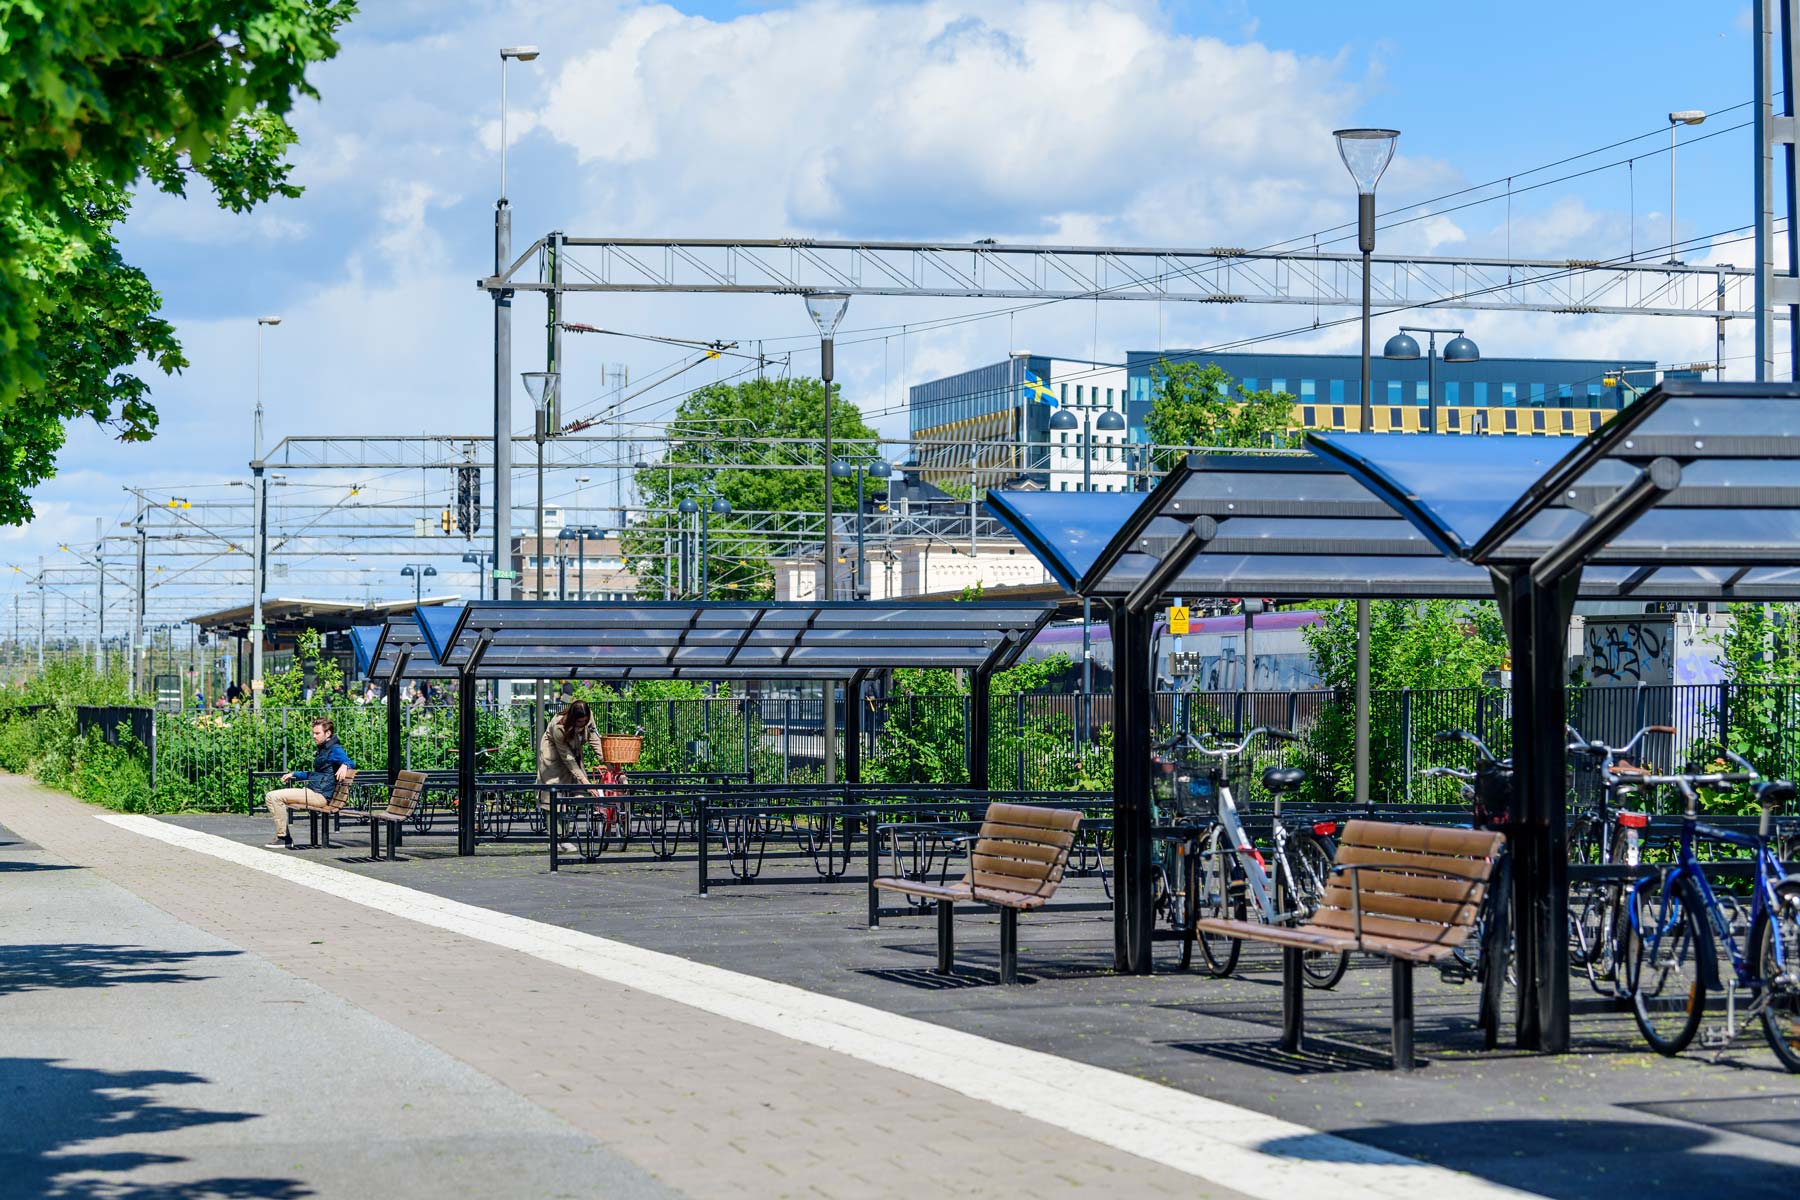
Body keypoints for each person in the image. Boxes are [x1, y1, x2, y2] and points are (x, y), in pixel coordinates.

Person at [263, 716, 356, 849]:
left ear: (328, 733)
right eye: (313, 733)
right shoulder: (323, 749)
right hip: (314, 791)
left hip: (320, 796)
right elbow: (316, 774)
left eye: (317, 733)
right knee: (271, 797)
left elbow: (351, 762)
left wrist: (345, 765)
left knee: (274, 797)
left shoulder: (334, 749)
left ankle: (284, 838)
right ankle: (284, 837)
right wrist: (294, 774)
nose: (314, 736)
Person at [537, 700, 607, 854]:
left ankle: (565, 837)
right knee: (553, 796)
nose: (583, 724)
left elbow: (594, 738)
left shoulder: (589, 718)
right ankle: (554, 839)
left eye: (585, 721)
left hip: (573, 755)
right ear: (573, 719)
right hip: (553, 759)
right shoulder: (558, 726)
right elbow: (566, 756)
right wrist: (585, 782)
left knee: (569, 795)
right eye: (579, 721)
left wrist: (605, 759)